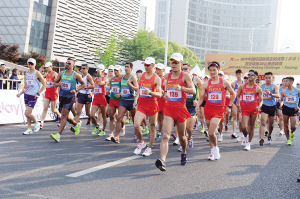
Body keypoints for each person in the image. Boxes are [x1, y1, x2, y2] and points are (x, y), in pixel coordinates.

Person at [155, 53, 196, 171]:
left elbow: (193, 90)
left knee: (182, 136)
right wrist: (166, 93)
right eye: (172, 62)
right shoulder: (167, 76)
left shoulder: (185, 76)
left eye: (176, 62)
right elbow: (166, 88)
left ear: (181, 64)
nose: (173, 64)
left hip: (180, 110)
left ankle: (183, 152)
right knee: (166, 135)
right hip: (169, 109)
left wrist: (182, 88)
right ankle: (162, 160)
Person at [196, 61, 235, 161]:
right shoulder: (205, 84)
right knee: (210, 133)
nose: (212, 72)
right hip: (208, 109)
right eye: (210, 70)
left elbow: (233, 94)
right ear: (208, 71)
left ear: (218, 70)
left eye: (214, 70)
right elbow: (201, 97)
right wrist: (198, 105)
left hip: (219, 109)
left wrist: (229, 105)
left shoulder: (224, 82)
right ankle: (212, 151)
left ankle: (216, 148)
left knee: (211, 131)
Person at [50, 58, 85, 142]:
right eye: (66, 62)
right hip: (62, 96)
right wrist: (58, 84)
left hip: (70, 97)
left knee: (64, 115)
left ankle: (58, 135)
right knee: (64, 115)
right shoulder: (61, 73)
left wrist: (76, 90)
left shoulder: (76, 75)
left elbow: (83, 84)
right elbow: (54, 84)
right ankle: (76, 125)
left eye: (69, 63)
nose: (67, 64)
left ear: (73, 65)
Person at [133, 57, 162, 157]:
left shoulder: (156, 78)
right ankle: (141, 143)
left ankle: (149, 148)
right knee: (136, 124)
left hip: (152, 104)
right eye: (144, 64)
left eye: (148, 65)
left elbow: (159, 94)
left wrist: (150, 92)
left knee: (152, 126)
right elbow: (139, 88)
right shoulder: (141, 75)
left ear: (153, 66)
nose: (145, 66)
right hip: (142, 104)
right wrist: (136, 98)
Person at [16, 58, 46, 134]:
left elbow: (44, 84)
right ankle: (29, 129)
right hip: (26, 95)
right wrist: (20, 93)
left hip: (33, 96)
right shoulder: (27, 74)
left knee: (27, 113)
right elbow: (26, 87)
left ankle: (36, 123)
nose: (30, 65)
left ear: (35, 64)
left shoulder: (37, 73)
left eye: (32, 64)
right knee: (28, 113)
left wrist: (38, 93)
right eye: (29, 64)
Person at [111, 62, 138, 143]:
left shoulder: (133, 77)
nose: (126, 68)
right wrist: (119, 94)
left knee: (134, 120)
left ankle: (136, 134)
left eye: (128, 67)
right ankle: (117, 137)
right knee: (119, 118)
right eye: (125, 67)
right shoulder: (122, 76)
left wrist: (131, 85)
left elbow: (137, 89)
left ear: (131, 69)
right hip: (123, 101)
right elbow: (123, 89)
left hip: (131, 101)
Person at [237, 70, 263, 150]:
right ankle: (245, 136)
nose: (249, 76)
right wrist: (238, 105)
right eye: (249, 75)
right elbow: (238, 96)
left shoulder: (257, 88)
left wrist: (259, 106)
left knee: (252, 126)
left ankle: (248, 143)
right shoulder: (242, 86)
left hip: (254, 109)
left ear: (255, 77)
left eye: (251, 75)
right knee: (244, 126)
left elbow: (261, 100)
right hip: (245, 109)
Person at [180, 63, 201, 149]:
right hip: (182, 105)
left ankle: (189, 137)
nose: (184, 70)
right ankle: (183, 142)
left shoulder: (195, 78)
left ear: (190, 69)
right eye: (183, 69)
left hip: (192, 106)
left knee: (189, 128)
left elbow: (203, 90)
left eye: (186, 68)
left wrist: (198, 101)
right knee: (182, 127)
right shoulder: (180, 78)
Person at [258, 72, 280, 146]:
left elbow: (278, 95)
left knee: (271, 124)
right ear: (264, 78)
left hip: (272, 106)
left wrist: (271, 94)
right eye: (266, 78)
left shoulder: (274, 86)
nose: (267, 79)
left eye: (269, 78)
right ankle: (261, 139)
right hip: (264, 106)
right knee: (263, 122)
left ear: (272, 78)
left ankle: (269, 135)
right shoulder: (261, 86)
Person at [105, 65, 125, 140]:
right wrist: (109, 92)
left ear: (120, 70)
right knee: (111, 117)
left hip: (120, 101)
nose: (115, 71)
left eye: (117, 70)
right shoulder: (111, 79)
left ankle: (123, 126)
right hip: (112, 99)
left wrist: (120, 94)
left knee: (119, 118)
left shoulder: (122, 79)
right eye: (114, 70)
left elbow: (124, 89)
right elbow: (111, 89)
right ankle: (111, 134)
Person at [74, 64, 94, 134]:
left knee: (88, 113)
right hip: (81, 95)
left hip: (87, 96)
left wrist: (85, 87)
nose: (82, 70)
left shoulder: (88, 77)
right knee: (78, 112)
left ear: (87, 69)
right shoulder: (80, 76)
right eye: (81, 68)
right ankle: (76, 126)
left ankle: (93, 120)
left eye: (84, 68)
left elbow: (93, 85)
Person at [280, 77, 300, 145]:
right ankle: (288, 139)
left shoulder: (297, 90)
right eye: (284, 81)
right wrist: (281, 105)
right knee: (285, 124)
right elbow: (282, 100)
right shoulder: (284, 91)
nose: (285, 83)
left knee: (293, 126)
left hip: (294, 109)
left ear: (291, 82)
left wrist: (298, 107)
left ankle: (292, 132)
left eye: (287, 81)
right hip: (286, 108)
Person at [40, 62, 61, 129]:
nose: (46, 68)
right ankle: (41, 122)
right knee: (45, 108)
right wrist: (41, 70)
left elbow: (59, 82)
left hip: (53, 93)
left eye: (48, 67)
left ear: (51, 67)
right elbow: (39, 77)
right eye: (46, 67)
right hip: (47, 93)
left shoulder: (54, 74)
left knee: (53, 110)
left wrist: (51, 83)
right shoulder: (46, 74)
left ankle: (60, 115)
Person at [91, 64, 108, 135]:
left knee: (104, 116)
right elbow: (95, 87)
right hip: (95, 99)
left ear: (103, 71)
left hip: (102, 99)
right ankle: (97, 126)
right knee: (91, 115)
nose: (98, 72)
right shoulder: (95, 79)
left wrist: (100, 75)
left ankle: (103, 130)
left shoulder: (105, 79)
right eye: (97, 70)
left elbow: (101, 83)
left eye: (99, 70)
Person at [155, 63, 166, 140]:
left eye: (159, 69)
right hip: (156, 101)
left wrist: (162, 91)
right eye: (156, 69)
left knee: (164, 118)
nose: (157, 71)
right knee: (158, 118)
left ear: (163, 70)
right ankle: (158, 132)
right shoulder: (154, 79)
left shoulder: (165, 80)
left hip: (164, 102)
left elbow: (166, 92)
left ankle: (163, 132)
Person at [231, 69, 244, 139]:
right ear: (235, 75)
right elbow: (230, 92)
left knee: (240, 119)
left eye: (239, 74)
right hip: (235, 101)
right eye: (237, 74)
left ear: (242, 74)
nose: (238, 76)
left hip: (242, 102)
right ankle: (234, 132)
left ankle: (241, 132)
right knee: (235, 117)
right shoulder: (233, 83)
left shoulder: (244, 83)